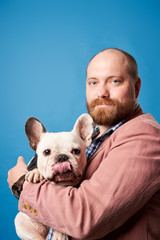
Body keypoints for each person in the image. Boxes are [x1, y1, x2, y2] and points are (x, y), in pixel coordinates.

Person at [8, 48, 160, 239]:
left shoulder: (144, 136)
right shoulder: (95, 137)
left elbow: (84, 217)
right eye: (93, 82)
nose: (102, 92)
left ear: (136, 87)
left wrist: (22, 184)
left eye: (114, 81)